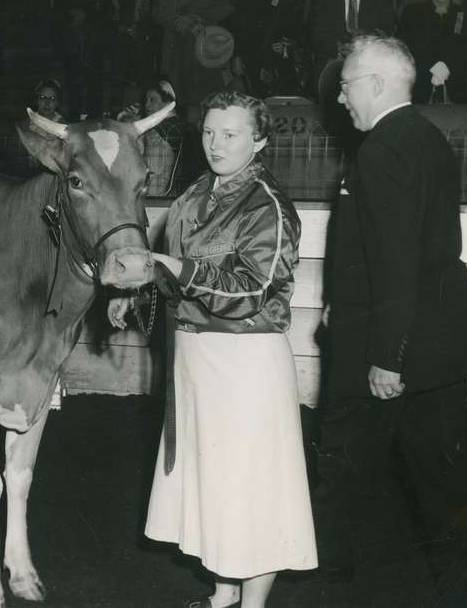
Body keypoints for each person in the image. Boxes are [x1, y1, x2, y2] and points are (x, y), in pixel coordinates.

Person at [111, 91, 317, 608]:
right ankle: (224, 594)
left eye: (231, 134)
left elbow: (252, 290)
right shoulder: (196, 192)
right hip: (195, 361)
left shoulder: (268, 205)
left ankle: (252, 604)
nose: (215, 143)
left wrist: (176, 269)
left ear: (260, 140)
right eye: (208, 131)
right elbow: (170, 271)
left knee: (251, 490)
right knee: (214, 486)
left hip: (244, 363)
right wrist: (136, 294)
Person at [315, 35, 467, 601]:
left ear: (377, 85)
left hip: (389, 346)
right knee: (448, 482)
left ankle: (326, 577)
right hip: (441, 340)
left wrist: (387, 357)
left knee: (342, 466)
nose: (340, 99)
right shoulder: (430, 138)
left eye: (346, 86)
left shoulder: (382, 149)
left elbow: (395, 262)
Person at [152, 0, 234, 108]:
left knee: (209, 102)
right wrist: (187, 24)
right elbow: (158, 13)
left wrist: (194, 16)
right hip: (175, 49)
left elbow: (224, 6)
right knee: (179, 103)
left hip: (208, 47)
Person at [230, 0, 303, 97]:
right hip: (253, 55)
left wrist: (287, 43)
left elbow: (297, 23)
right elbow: (237, 24)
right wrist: (237, 55)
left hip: (282, 57)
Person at [398, 0, 467, 102]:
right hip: (421, 82)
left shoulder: (464, 15)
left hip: (459, 85)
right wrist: (433, 67)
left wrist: (448, 67)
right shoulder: (413, 13)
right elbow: (405, 48)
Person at [118, 79, 206, 196]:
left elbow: (153, 185)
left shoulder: (156, 133)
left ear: (168, 102)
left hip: (157, 201)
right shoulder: (187, 127)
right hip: (185, 197)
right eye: (146, 100)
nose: (147, 105)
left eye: (152, 100)